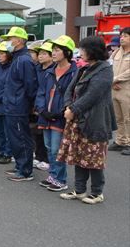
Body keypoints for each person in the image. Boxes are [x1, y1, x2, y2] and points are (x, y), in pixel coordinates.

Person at [58, 36, 116, 205]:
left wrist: (73, 109)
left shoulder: (105, 70)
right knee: (78, 154)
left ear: (93, 51)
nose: (81, 52)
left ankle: (97, 192)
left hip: (95, 120)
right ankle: (79, 189)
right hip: (78, 117)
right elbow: (70, 89)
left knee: (94, 157)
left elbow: (93, 95)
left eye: (83, 49)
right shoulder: (84, 68)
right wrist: (69, 106)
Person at [35, 36, 78, 192]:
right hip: (46, 117)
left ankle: (60, 179)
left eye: (57, 50)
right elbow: (40, 93)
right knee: (48, 147)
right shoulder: (49, 72)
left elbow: (73, 96)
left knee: (56, 149)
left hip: (60, 118)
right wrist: (42, 110)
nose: (53, 53)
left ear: (66, 52)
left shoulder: (74, 72)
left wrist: (60, 113)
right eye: (53, 50)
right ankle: (53, 176)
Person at [2, 27, 38, 182]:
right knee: (15, 137)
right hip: (13, 103)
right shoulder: (17, 58)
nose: (9, 41)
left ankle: (25, 170)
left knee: (21, 137)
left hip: (18, 104)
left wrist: (29, 104)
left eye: (12, 38)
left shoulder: (23, 59)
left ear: (20, 40)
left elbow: (30, 84)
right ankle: (20, 165)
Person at [31, 41, 54, 171]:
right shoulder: (37, 68)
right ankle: (39, 156)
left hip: (47, 106)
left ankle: (46, 159)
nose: (40, 56)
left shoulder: (53, 70)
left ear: (51, 56)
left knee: (46, 134)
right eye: (39, 53)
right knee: (37, 132)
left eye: (44, 53)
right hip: (36, 104)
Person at [109, 27, 130, 155]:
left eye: (126, 36)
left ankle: (128, 142)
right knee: (118, 118)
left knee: (128, 117)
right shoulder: (116, 52)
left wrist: (115, 79)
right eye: (121, 36)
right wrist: (112, 82)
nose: (122, 38)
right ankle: (120, 141)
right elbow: (109, 66)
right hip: (115, 89)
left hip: (127, 89)